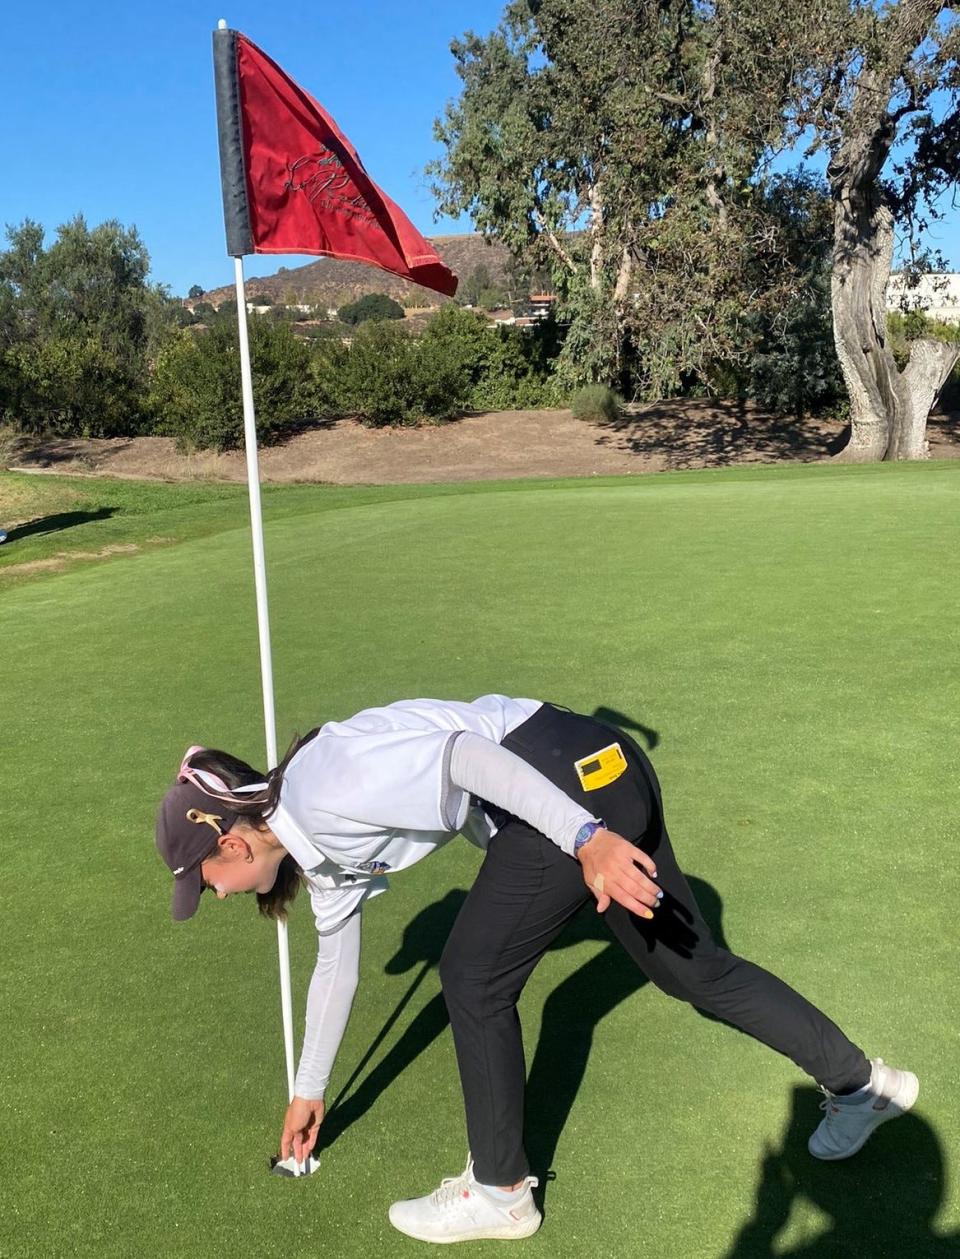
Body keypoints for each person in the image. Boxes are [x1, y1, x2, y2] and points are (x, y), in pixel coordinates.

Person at [155, 695, 918, 1244]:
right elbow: (336, 963)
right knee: (696, 971)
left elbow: (466, 757)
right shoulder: (313, 837)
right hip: (604, 765)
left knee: (472, 976)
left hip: (562, 795)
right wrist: (308, 1089)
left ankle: (499, 1192)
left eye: (204, 882)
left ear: (228, 843)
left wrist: (586, 839)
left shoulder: (325, 790)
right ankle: (863, 1085)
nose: (212, 895)